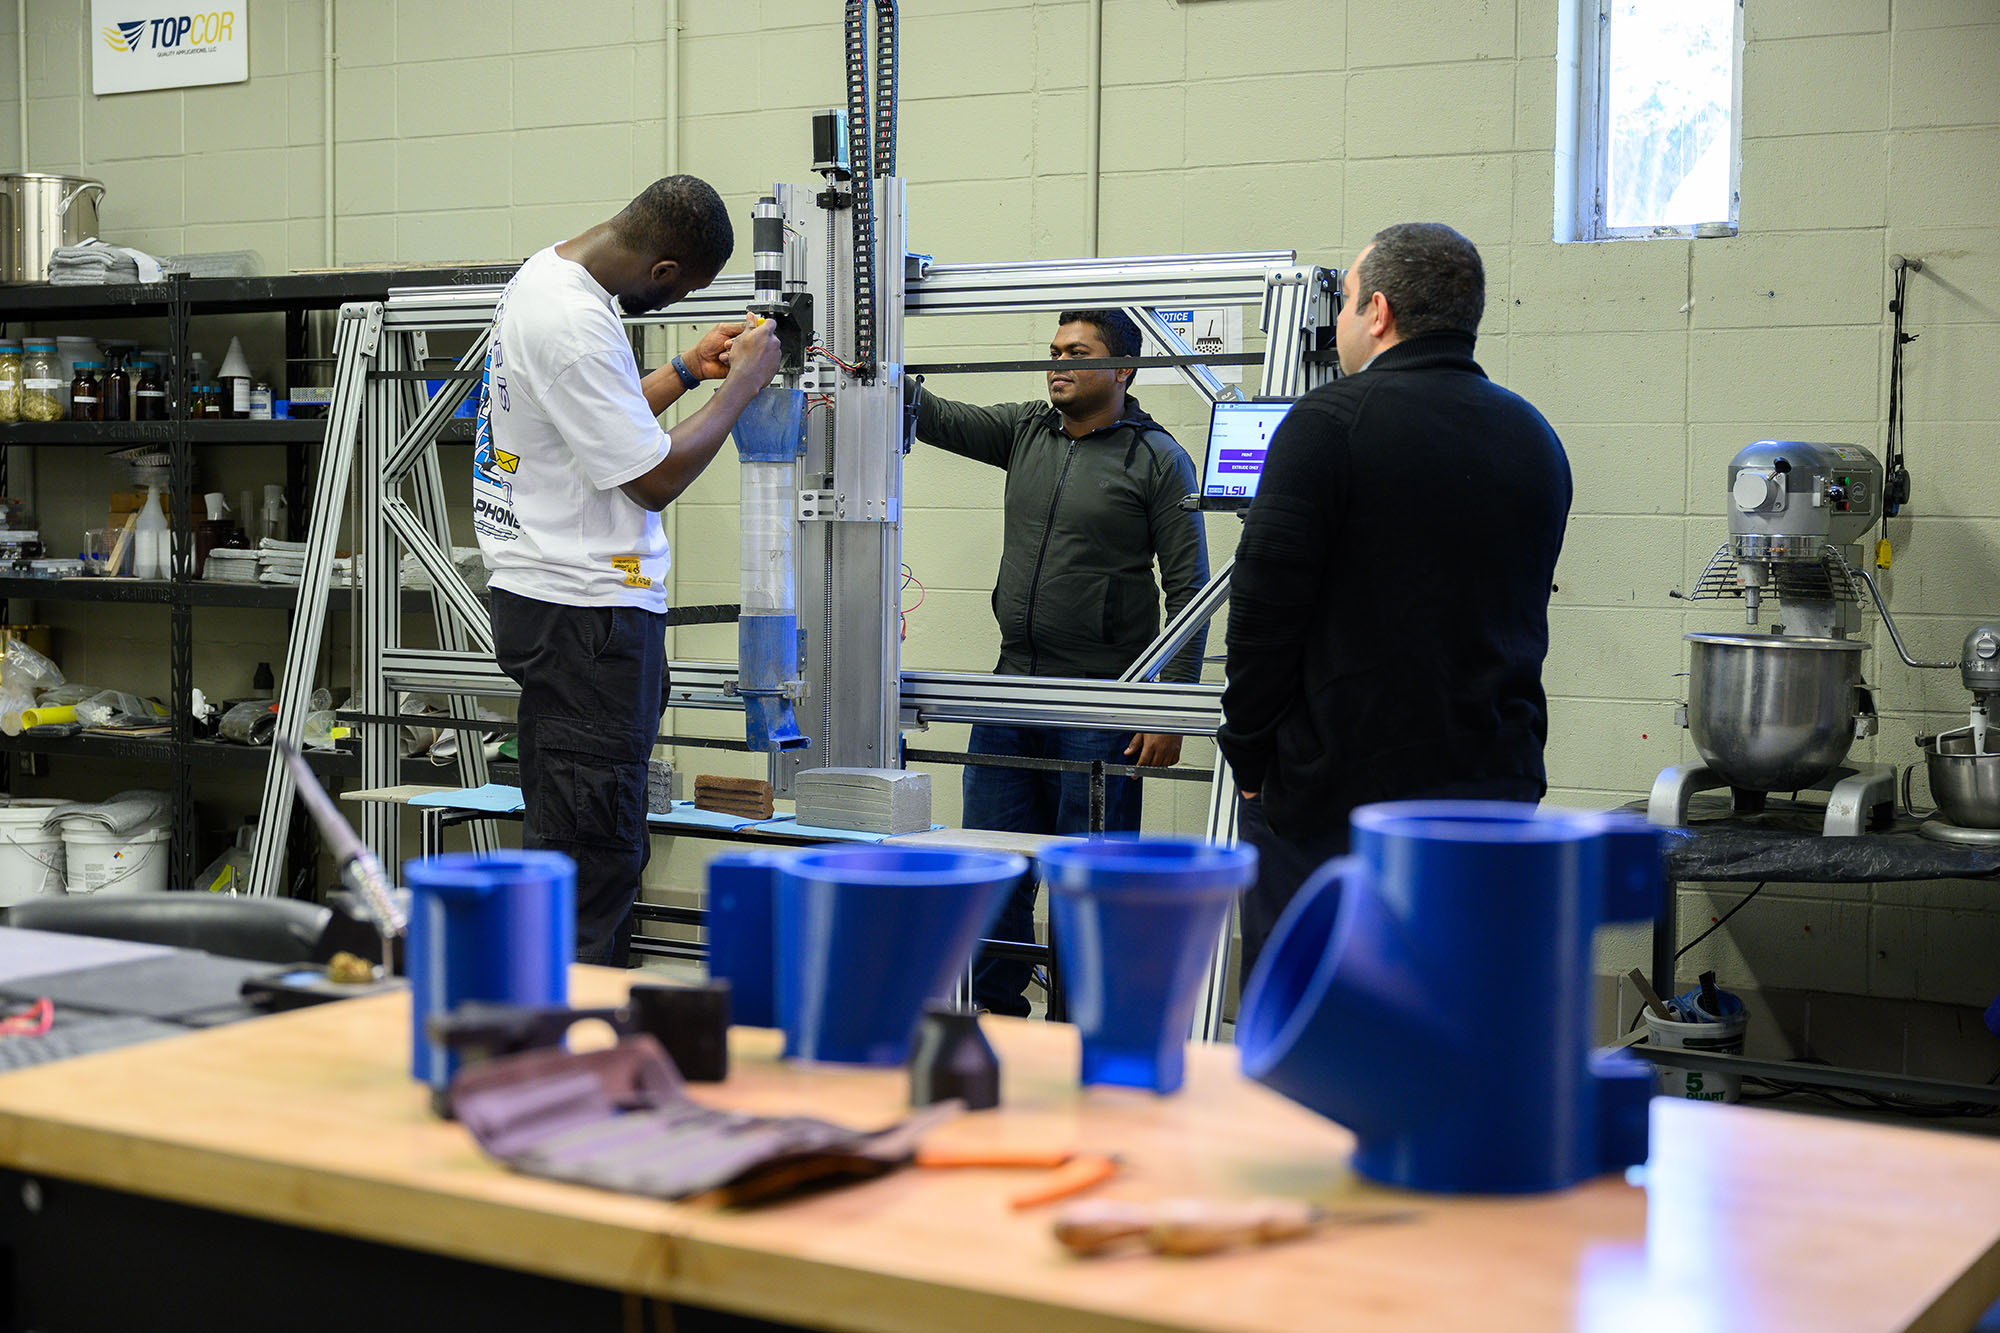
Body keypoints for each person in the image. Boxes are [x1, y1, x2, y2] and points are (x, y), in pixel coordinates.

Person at [1218, 222, 1572, 972]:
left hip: (1339, 804)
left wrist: (1247, 754)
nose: (1341, 322)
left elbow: (1261, 618)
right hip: (1491, 790)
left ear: (1377, 311)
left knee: (1315, 1037)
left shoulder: (1327, 424)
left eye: (1344, 303)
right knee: (1458, 1017)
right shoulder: (1534, 436)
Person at [474, 175, 783, 966]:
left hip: (554, 605)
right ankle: (576, 1058)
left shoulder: (551, 275)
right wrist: (744, 387)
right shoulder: (577, 320)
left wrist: (685, 371)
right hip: (587, 620)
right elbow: (652, 477)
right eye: (691, 292)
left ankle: (563, 1040)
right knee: (595, 859)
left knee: (573, 842)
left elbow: (595, 423)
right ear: (668, 271)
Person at [908, 308, 1210, 1015]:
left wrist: (1169, 707)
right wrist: (872, 372)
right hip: (1010, 691)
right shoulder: (1025, 430)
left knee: (1087, 879)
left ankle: (1082, 1025)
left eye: (1078, 351)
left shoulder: (1158, 458)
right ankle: (995, 1016)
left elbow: (1191, 591)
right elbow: (936, 414)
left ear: (1123, 369)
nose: (1058, 363)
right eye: (1053, 351)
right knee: (995, 865)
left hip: (1102, 702)